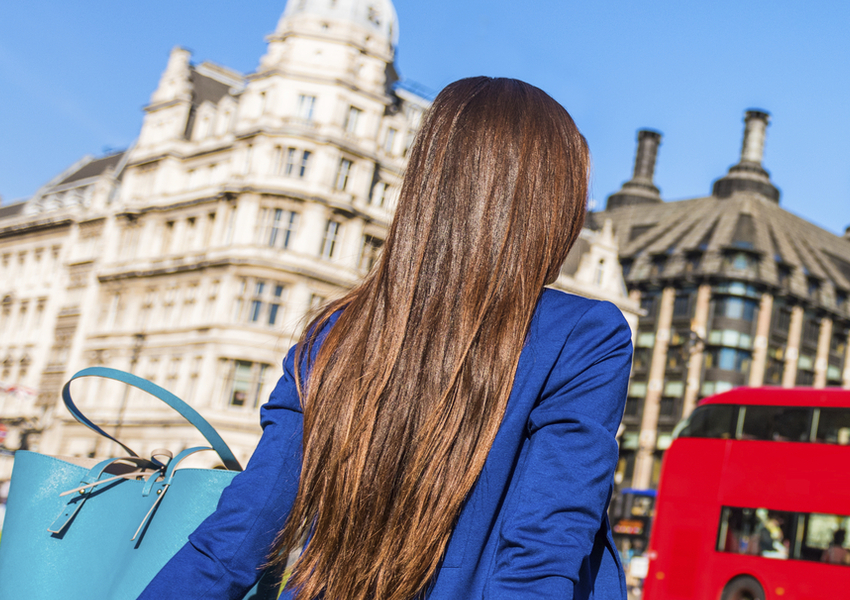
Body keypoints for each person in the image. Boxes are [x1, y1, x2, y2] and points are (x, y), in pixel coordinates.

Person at [141, 77, 634, 600]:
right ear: (548, 206)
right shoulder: (585, 336)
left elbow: (236, 538)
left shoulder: (335, 333)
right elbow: (538, 559)